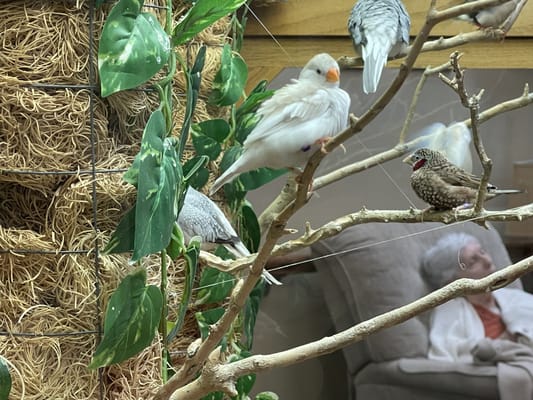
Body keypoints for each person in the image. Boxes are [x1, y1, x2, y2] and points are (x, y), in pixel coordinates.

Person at [421, 232, 533, 399]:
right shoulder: (450, 311)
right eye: (473, 261)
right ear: (451, 280)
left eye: (482, 252)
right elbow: (445, 356)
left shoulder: (516, 298)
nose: (487, 261)